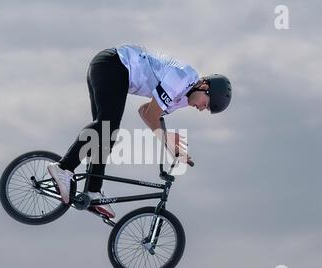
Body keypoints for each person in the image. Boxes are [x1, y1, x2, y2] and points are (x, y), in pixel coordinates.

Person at [48, 44, 232, 219]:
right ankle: (64, 168)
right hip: (113, 64)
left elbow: (145, 112)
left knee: (106, 134)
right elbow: (152, 114)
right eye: (206, 105)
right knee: (107, 125)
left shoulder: (183, 99)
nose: (201, 109)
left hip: (112, 70)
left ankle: (93, 191)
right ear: (205, 87)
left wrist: (168, 143)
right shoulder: (183, 77)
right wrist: (167, 141)